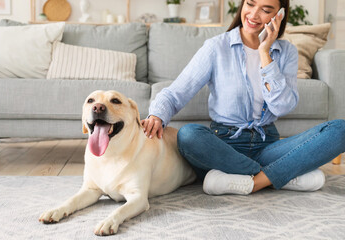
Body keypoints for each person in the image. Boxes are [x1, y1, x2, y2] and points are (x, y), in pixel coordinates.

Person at [141, 0, 345, 195]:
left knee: (340, 129)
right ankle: (278, 174)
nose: (254, 15)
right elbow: (177, 91)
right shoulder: (216, 47)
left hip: (268, 145)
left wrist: (265, 53)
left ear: (279, 15)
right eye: (250, 4)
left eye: (266, 10)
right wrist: (157, 115)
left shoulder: (287, 52)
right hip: (223, 146)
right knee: (188, 135)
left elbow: (282, 106)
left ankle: (253, 182)